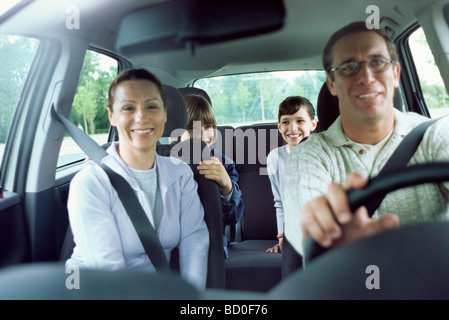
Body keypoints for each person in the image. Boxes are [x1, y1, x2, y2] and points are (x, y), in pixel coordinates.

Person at [283, 21, 449, 259]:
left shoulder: (435, 134)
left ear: (395, 74)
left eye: (378, 62)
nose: (366, 76)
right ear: (332, 83)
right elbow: (302, 215)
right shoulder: (310, 154)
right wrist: (323, 237)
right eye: (349, 66)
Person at [66, 69, 209, 290]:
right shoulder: (90, 182)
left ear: (165, 115)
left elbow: (195, 240)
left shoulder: (181, 174)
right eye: (128, 108)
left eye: (152, 106)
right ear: (112, 116)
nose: (141, 117)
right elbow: (109, 271)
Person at [180, 94, 244, 258]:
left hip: (211, 239)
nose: (203, 135)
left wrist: (226, 186)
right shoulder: (164, 162)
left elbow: (233, 217)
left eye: (208, 126)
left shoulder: (223, 163)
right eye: (193, 128)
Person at [266, 96, 317, 253]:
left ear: (313, 124)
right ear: (279, 126)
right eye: (286, 122)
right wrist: (283, 238)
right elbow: (280, 203)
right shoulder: (275, 157)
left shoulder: (323, 155)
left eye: (300, 121)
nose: (292, 128)